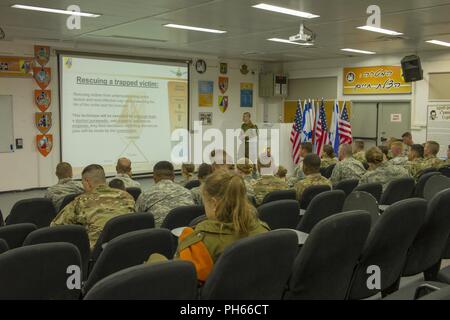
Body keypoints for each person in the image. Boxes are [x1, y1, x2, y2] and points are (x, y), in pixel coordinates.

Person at [147, 170, 270, 282]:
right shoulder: (264, 230)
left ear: (214, 204)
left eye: (205, 202)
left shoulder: (197, 242)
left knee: (154, 258)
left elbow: (180, 281)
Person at [51, 164, 135, 249]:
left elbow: (55, 227)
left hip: (97, 255)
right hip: (127, 249)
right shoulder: (127, 197)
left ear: (87, 182)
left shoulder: (80, 201)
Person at [135, 161, 194, 227]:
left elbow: (137, 219)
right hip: (185, 233)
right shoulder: (187, 192)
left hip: (160, 236)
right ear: (174, 176)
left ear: (154, 177)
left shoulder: (145, 195)